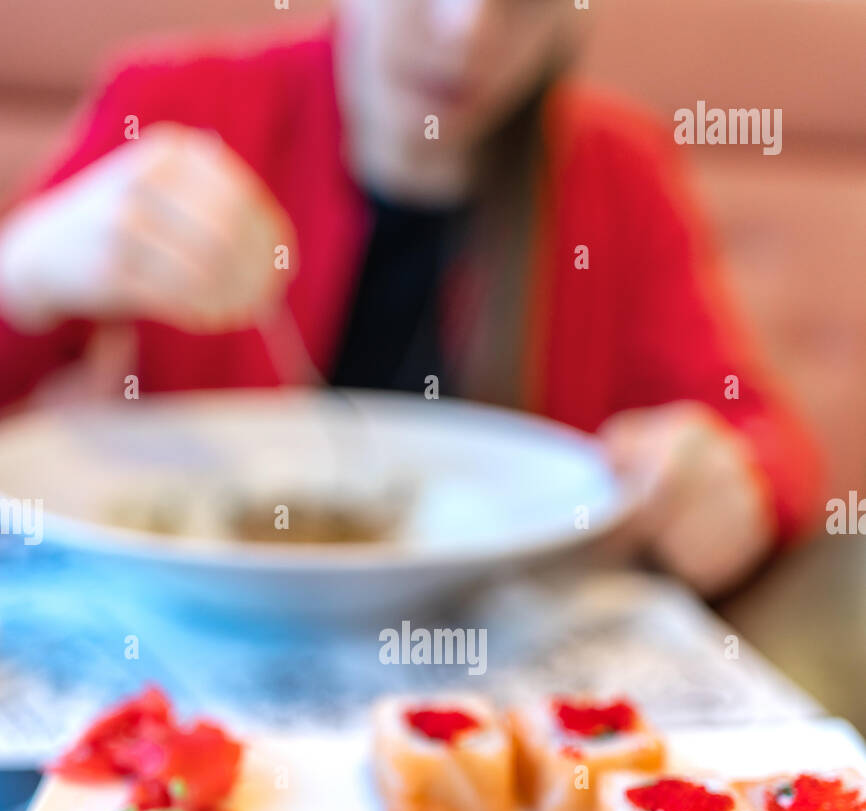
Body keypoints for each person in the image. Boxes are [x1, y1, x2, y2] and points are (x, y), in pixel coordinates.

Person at [0, 0, 822, 593]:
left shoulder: (618, 173)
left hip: (482, 664)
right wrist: (25, 269)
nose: (468, 27)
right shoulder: (174, 107)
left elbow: (759, 434)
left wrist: (728, 481)